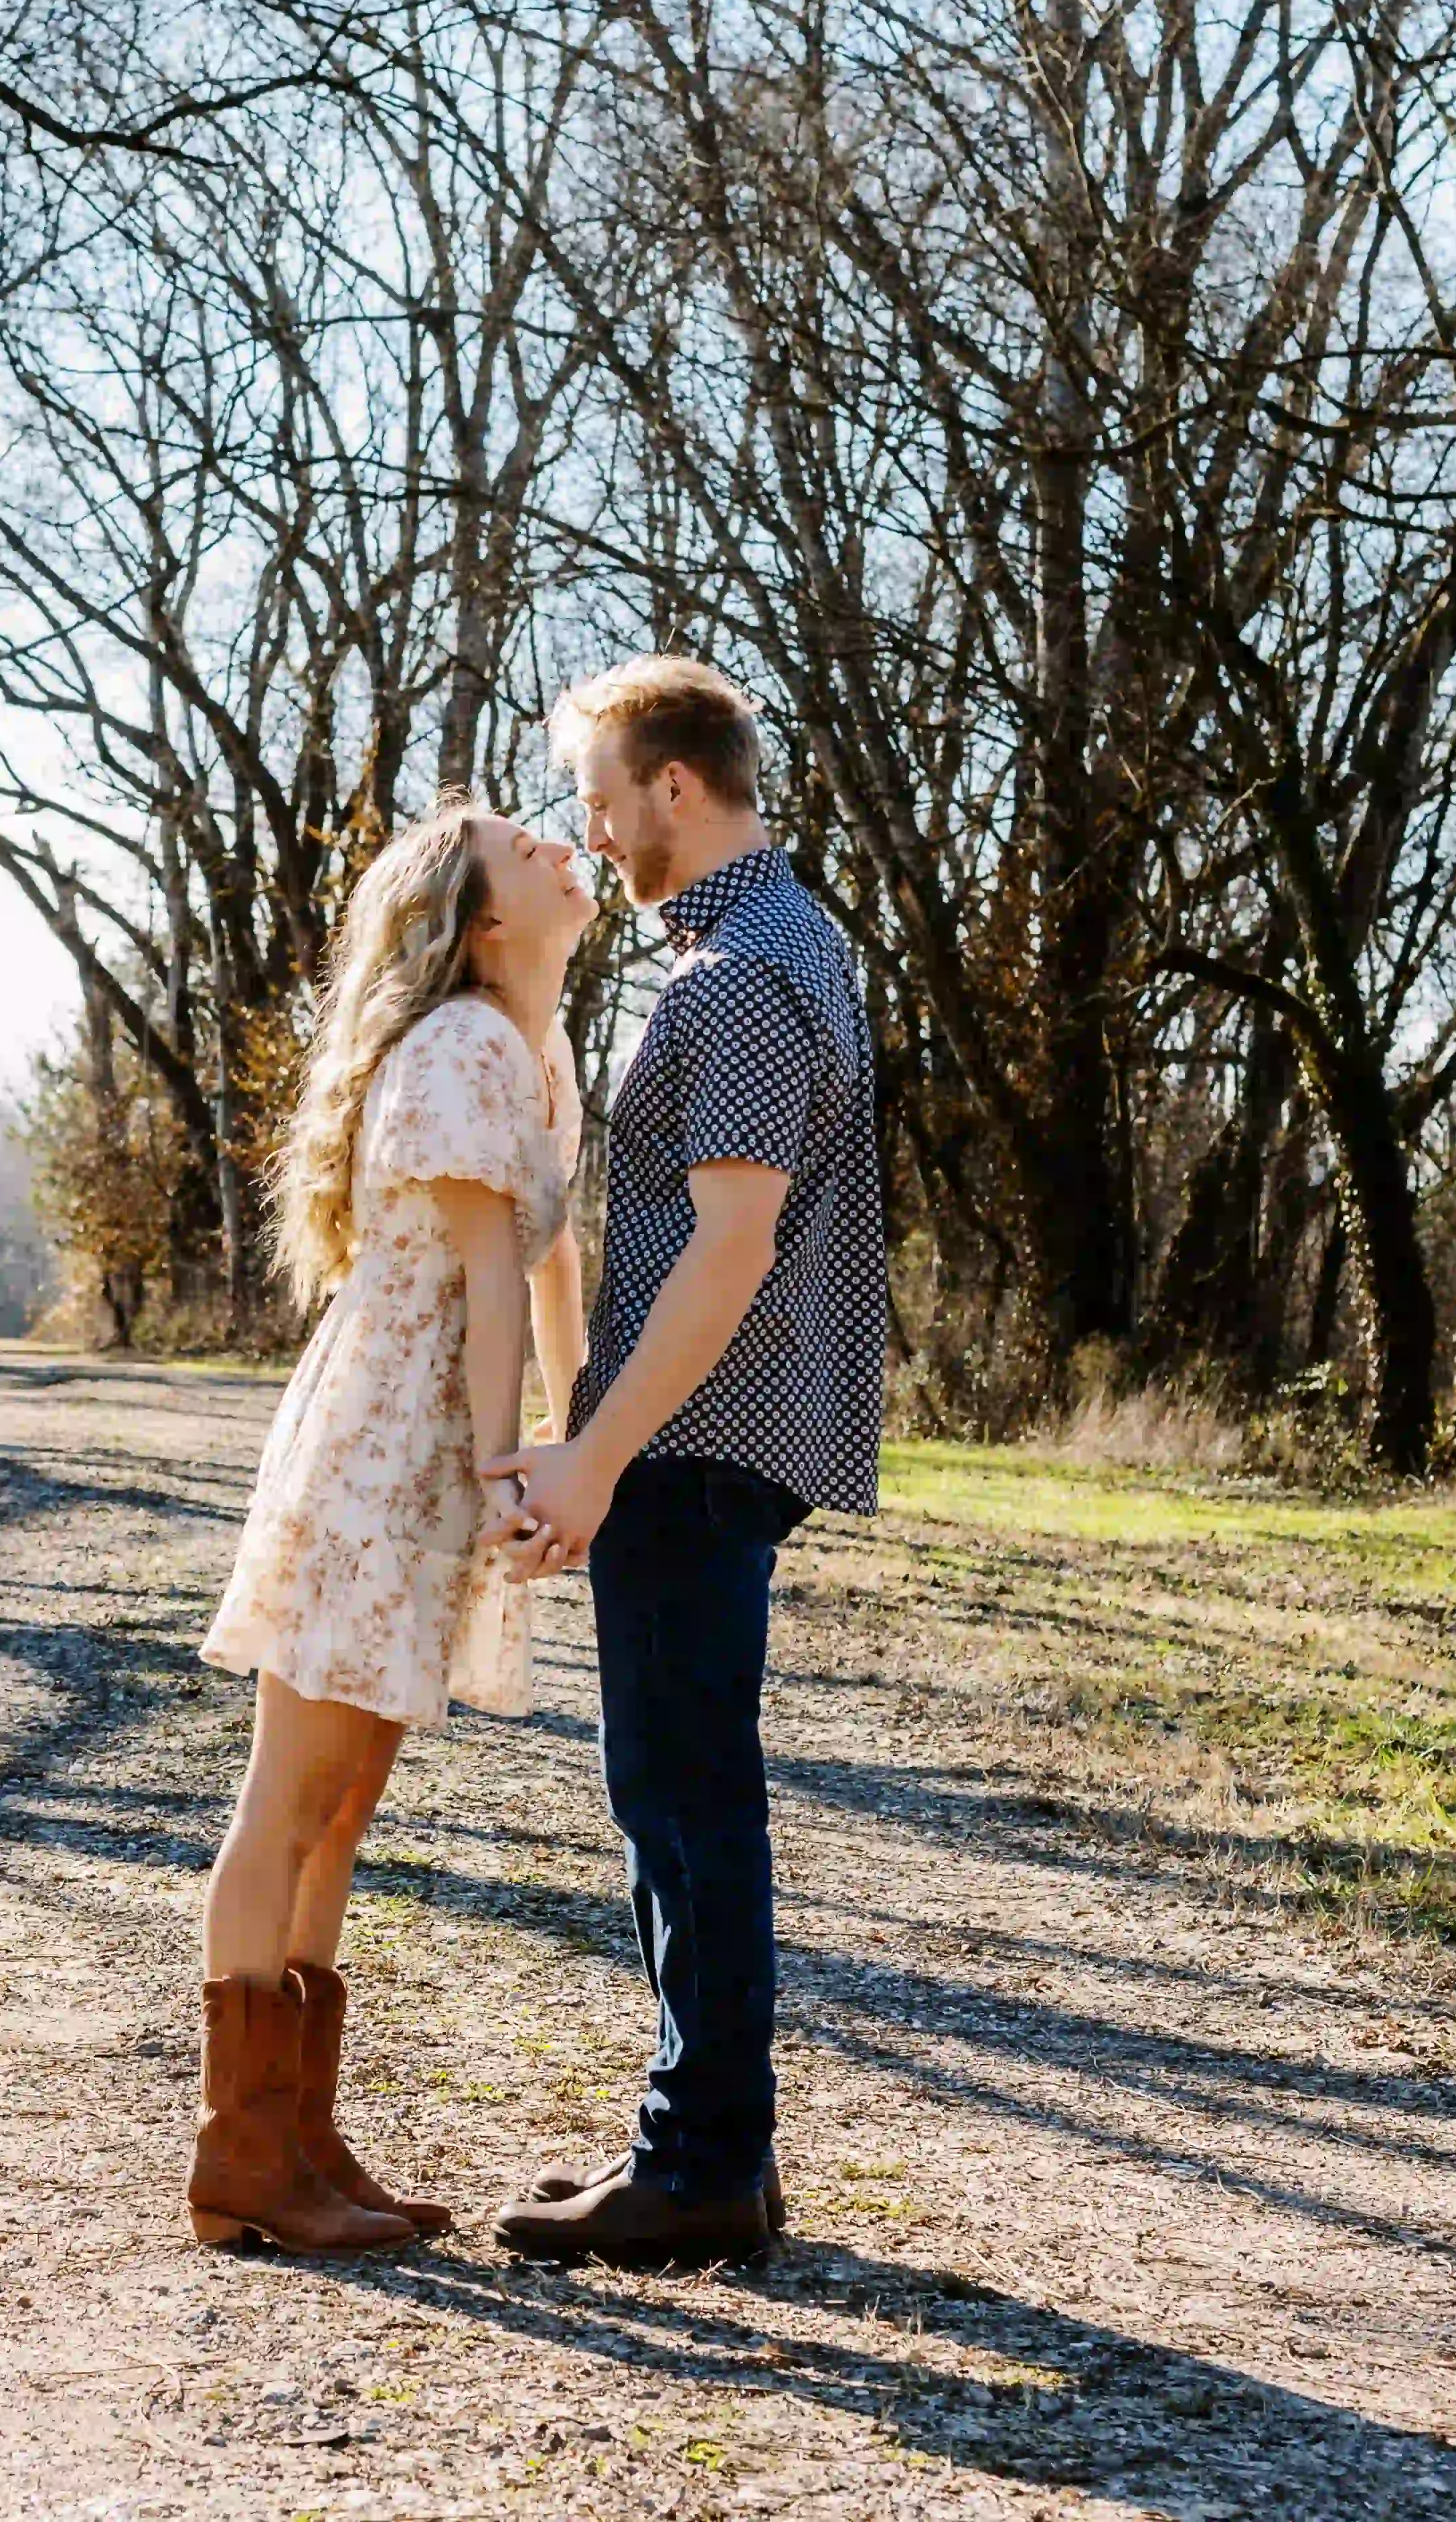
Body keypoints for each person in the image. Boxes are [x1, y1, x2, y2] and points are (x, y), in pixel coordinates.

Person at [481, 655, 886, 2269]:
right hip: (708, 1439)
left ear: (671, 784)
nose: (584, 819)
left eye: (597, 785)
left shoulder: (729, 980)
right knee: (687, 1795)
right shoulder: (793, 943)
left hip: (694, 1443)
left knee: (685, 1802)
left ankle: (704, 2166)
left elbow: (730, 1248)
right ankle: (714, 2150)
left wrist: (593, 1456)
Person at [184, 797, 590, 2252]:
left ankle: (300, 2135)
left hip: (432, 1458)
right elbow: (484, 1271)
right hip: (382, 1454)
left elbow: (550, 1276)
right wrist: (507, 1474)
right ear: (482, 924)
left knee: (346, 1808)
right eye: (526, 854)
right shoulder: (468, 1044)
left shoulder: (537, 1054)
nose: (562, 852)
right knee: (288, 1799)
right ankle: (243, 2157)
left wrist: (579, 1435)